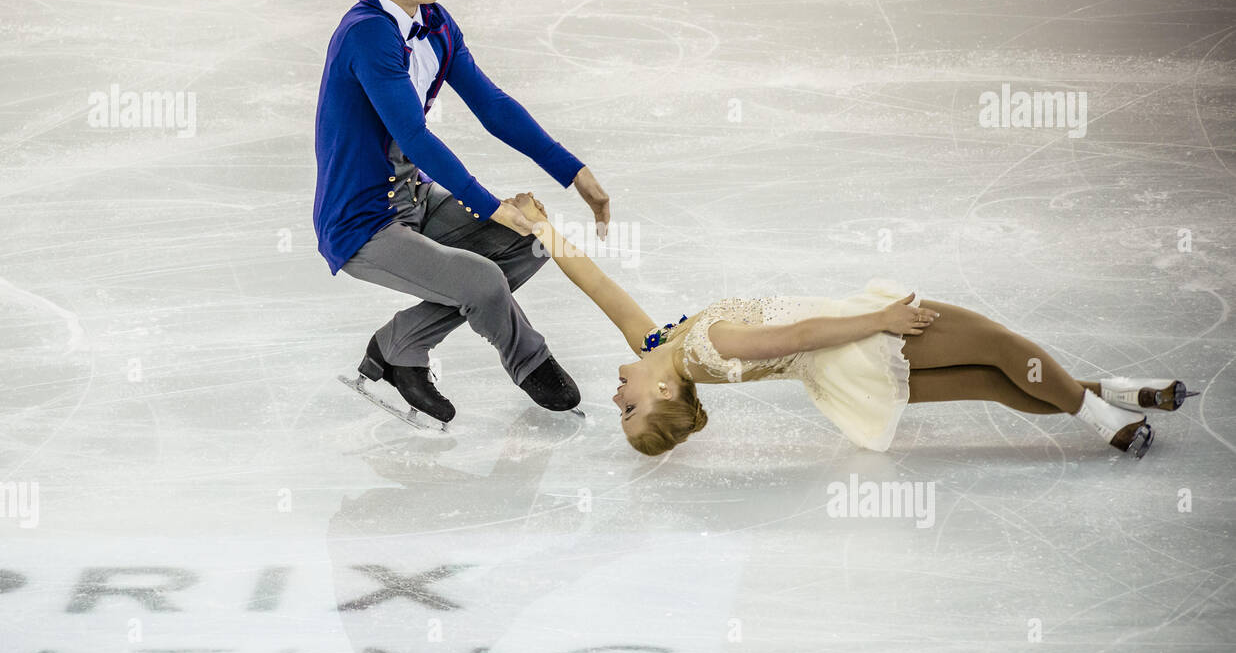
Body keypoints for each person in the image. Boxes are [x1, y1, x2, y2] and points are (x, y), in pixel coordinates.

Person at [509, 194, 1195, 459]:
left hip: (845, 365)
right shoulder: (709, 354)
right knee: (1002, 346)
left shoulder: (658, 347)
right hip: (855, 339)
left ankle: (1124, 394)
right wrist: (885, 318)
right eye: (626, 408)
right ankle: (1110, 424)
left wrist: (544, 227)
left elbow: (598, 283)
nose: (614, 396)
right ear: (660, 397)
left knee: (990, 380)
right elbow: (802, 336)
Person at [313, 0, 611, 422]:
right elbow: (413, 136)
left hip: (412, 197)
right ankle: (530, 361)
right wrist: (491, 207)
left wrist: (573, 171)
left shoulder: (435, 22)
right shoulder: (367, 34)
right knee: (481, 280)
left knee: (534, 240)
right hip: (360, 221)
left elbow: (491, 105)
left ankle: (397, 347)